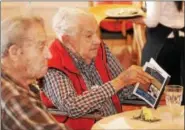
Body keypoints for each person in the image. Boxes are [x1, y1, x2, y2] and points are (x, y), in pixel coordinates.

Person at [41, 7, 153, 130]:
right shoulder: (52, 65)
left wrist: (141, 85)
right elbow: (72, 106)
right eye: (89, 36)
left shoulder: (99, 49)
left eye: (96, 33)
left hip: (115, 124)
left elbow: (123, 92)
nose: (97, 40)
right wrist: (120, 81)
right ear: (67, 40)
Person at [1, 16, 70, 130]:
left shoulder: (17, 84)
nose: (49, 55)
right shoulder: (14, 97)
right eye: (41, 46)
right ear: (14, 52)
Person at [140, 2, 185, 104]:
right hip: (181, 41)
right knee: (177, 93)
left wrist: (134, 19)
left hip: (161, 46)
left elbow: (152, 21)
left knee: (151, 95)